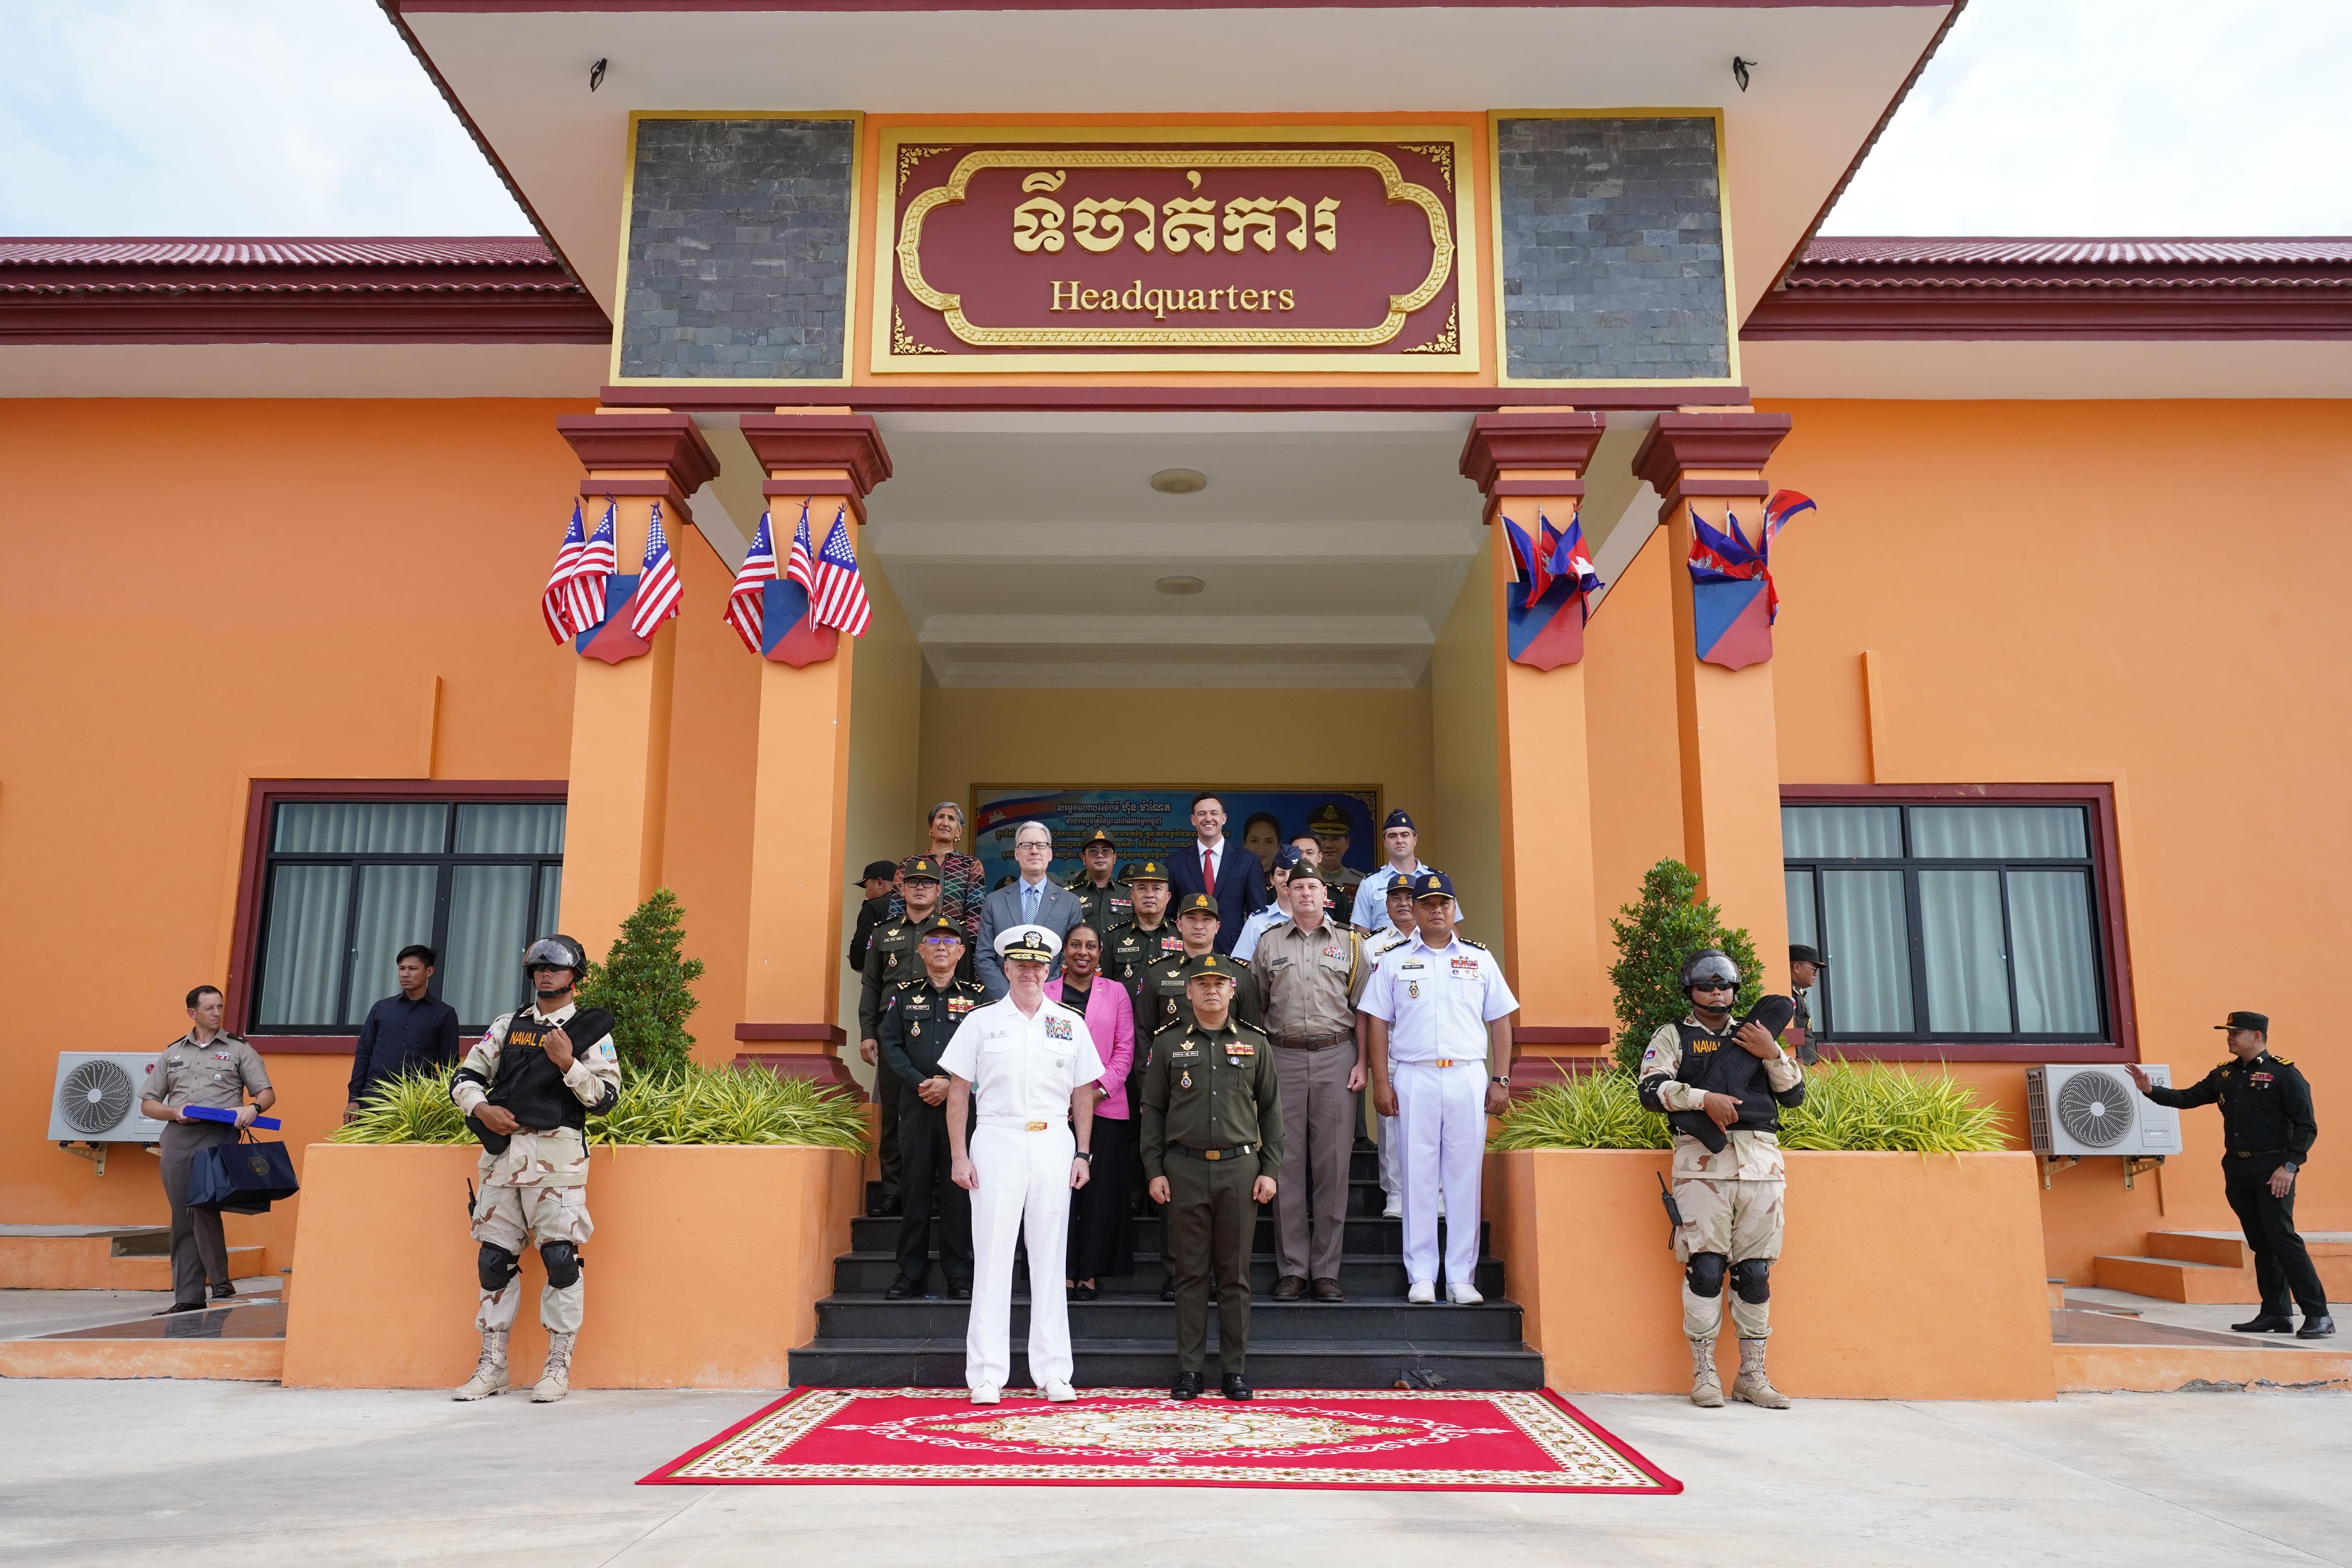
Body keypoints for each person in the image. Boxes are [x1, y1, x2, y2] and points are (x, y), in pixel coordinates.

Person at [448, 934, 622, 1404]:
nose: (545, 973)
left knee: (560, 1260)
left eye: (555, 967)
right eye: (538, 967)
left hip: (557, 1164)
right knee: (492, 1261)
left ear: (575, 976)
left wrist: (569, 1063)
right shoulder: (508, 1026)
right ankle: (492, 1366)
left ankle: (557, 1367)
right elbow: (465, 1076)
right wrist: (481, 1109)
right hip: (502, 1161)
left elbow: (606, 1098)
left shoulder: (588, 1032)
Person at [1635, 948, 1807, 1410]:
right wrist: (1702, 1098)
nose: (1716, 992)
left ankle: (1751, 1375)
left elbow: (1793, 1095)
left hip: (1760, 1165)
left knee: (1755, 1273)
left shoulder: (1755, 1032)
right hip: (1702, 1164)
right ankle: (1704, 1371)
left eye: (1724, 984)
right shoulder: (1673, 1035)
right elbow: (1650, 1089)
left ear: (1735, 990)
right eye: (1706, 984)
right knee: (1706, 1268)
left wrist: (1772, 1053)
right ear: (1689, 989)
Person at [944, 926, 1102, 1405]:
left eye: (1037, 964)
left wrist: (1082, 1151)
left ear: (1048, 969)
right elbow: (958, 1091)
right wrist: (958, 1155)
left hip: (1053, 1140)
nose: (1030, 971)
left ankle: (1053, 1371)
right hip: (997, 1138)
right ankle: (986, 1374)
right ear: (1007, 968)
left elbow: (1083, 1091)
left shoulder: (1069, 1022)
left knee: (1050, 1259)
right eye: (1021, 964)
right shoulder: (980, 1021)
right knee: (992, 1257)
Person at [1362, 872, 1515, 1307]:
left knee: (1465, 1177)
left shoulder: (1479, 959)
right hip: (1415, 1074)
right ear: (1415, 909)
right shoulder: (1393, 960)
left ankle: (1461, 1277)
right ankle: (1423, 1275)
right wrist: (1381, 1081)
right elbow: (1377, 1022)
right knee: (1417, 1176)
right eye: (1427, 903)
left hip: (1467, 1074)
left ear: (1454, 909)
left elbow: (1500, 1020)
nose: (1435, 911)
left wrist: (1501, 1078)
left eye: (1443, 903)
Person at [2131, 1011, 2330, 1338]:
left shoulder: (2283, 1074)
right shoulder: (2224, 1074)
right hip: (2238, 1168)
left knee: (2283, 1239)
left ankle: (2319, 1314)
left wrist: (2289, 1167)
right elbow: (2187, 1098)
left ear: (2257, 1036)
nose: (2230, 1037)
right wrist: (2150, 1089)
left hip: (2273, 1168)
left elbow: (2306, 1126)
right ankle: (2277, 1313)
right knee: (2261, 1243)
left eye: (2236, 1032)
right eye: (2228, 1032)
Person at [1141, 953, 1283, 1401]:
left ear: (1231, 990)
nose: (1210, 990)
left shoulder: (1255, 1043)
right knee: (1189, 1274)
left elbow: (1271, 1111)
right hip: (1183, 1169)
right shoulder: (1168, 1043)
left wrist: (1270, 1169)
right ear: (1188, 991)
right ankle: (1190, 1369)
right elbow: (1154, 1111)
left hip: (1239, 1169)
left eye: (1218, 983)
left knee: (1235, 1275)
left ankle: (1234, 1370)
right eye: (1201, 983)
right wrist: (1154, 1169)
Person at [1255, 861, 1369, 1302]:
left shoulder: (1351, 943)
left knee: (1333, 1167)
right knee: (1284, 1165)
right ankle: (1293, 1270)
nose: (1304, 893)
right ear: (1286, 891)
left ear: (1326, 894)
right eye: (1297, 886)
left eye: (1312, 887)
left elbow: (1364, 1009)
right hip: (1282, 1056)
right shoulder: (1269, 942)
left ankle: (1326, 1271)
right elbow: (1258, 1005)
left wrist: (1362, 1062)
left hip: (1336, 1056)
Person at [140, 986, 275, 1313]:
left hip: (217, 1135)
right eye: (209, 1008)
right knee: (182, 1212)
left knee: (201, 1204)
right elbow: (148, 1103)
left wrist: (253, 1108)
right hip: (177, 1135)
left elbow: (267, 1093)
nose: (217, 1013)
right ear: (193, 1013)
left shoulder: (239, 1049)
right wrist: (175, 1112)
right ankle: (188, 1297)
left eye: (220, 1007)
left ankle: (220, 1280)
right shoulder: (173, 1052)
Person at [876, 914, 987, 1301]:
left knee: (959, 1191)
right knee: (915, 1189)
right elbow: (891, 1043)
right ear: (921, 950)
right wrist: (919, 1082)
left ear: (961, 952)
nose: (942, 947)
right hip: (918, 1103)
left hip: (963, 1107)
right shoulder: (904, 995)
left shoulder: (977, 998)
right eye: (934, 941)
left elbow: (988, 1050)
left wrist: (951, 1084)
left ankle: (958, 1273)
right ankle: (911, 1273)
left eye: (949, 941)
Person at [859, 857, 961, 1217]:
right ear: (901, 889)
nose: (920, 887)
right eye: (914, 882)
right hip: (893, 1036)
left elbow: (964, 984)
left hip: (942, 1031)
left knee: (943, 1114)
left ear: (938, 890)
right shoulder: (884, 932)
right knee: (893, 1114)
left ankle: (935, 1191)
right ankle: (894, 1190)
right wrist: (867, 1032)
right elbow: (872, 984)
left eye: (927, 882)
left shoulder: (951, 933)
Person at [1048, 923, 1137, 1298]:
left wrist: (1096, 1093)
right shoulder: (1046, 992)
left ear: (1100, 952)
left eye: (1090, 946)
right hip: (1054, 1108)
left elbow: (1125, 1049)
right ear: (1064, 952)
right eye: (1075, 945)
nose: (1082, 952)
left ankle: (1089, 1273)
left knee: (1099, 1195)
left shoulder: (1116, 992)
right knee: (1057, 1193)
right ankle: (1063, 1270)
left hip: (1107, 1107)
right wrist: (1063, 1097)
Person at [345, 944, 460, 1120]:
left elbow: (449, 1064)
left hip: (421, 1104)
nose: (405, 974)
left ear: (429, 971)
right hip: (375, 1099)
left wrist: (447, 1104)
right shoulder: (381, 1009)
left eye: (412, 969)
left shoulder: (444, 1014)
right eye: (402, 968)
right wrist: (354, 1099)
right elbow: (363, 1054)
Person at [976, 821, 1085, 997]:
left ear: (1050, 854)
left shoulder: (1070, 903)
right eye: (1027, 845)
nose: (1034, 851)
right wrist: (1010, 996)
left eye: (1041, 845)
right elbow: (984, 957)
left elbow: (1069, 958)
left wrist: (1043, 995)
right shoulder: (994, 902)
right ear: (1017, 854)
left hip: (1050, 1000)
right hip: (1003, 1000)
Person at [1365, 880, 1420, 1218]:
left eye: (1409, 897)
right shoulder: (1372, 946)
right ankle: (1396, 1194)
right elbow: (1363, 1005)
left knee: (1434, 1123)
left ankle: (1436, 1192)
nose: (1403, 903)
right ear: (1386, 905)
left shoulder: (1439, 940)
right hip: (1389, 1044)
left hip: (1426, 1046)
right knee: (1391, 1125)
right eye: (1395, 898)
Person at [1142, 892, 1263, 1039]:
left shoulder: (1238, 972)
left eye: (1207, 919)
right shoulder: (1157, 972)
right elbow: (1144, 1032)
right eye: (1191, 918)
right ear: (1179, 925)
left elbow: (1251, 1033)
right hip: (1170, 1053)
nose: (1199, 926)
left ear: (1217, 927)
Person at [1168, 792, 1269, 953]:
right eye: (1202, 814)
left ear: (1224, 819)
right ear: (1193, 820)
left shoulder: (1248, 861)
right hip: (1189, 953)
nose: (1208, 819)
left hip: (1235, 952)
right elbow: (1169, 916)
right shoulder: (1175, 862)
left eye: (1214, 813)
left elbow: (1258, 915)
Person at [889, 802, 988, 947]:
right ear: (931, 827)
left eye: (951, 819)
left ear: (959, 831)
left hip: (952, 947)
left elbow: (975, 915)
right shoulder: (909, 864)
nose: (945, 823)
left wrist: (966, 951)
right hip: (911, 945)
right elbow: (896, 909)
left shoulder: (971, 865)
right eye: (940, 817)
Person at [1351, 809, 1435, 933]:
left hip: (1427, 946)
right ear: (1384, 842)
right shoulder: (1370, 883)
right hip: (1383, 946)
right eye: (1393, 836)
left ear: (1415, 840)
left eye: (1405, 835)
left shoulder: (1435, 879)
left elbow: (1451, 928)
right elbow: (1362, 934)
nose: (1399, 840)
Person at [1230, 845, 1301, 962]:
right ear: (1272, 879)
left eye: (1293, 873)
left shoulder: (1319, 919)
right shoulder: (1256, 922)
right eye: (1281, 874)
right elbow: (1243, 966)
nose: (1287, 879)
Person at [1065, 829, 1133, 937]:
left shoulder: (1131, 894)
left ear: (1114, 858)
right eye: (1093, 851)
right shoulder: (1070, 896)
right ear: (1084, 859)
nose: (1100, 855)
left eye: (1106, 851)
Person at [1305, 802, 1365, 918]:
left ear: (1347, 843)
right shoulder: (1302, 879)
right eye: (1322, 839)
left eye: (1335, 839)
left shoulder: (1360, 882)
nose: (1329, 845)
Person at [848, 860, 899, 972]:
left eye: (866, 886)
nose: (866, 894)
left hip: (881, 976)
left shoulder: (873, 907)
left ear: (880, 883)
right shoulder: (912, 906)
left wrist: (856, 961)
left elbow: (861, 945)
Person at [1787, 945, 1826, 1066]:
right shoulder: (1790, 994)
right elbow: (1794, 1033)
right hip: (1799, 1066)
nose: (1816, 974)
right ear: (1797, 967)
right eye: (1814, 968)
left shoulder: (1798, 993)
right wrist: (1798, 1066)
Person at [1240, 812, 1284, 877]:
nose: (1261, 850)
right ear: (1245, 843)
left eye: (1269, 842)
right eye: (1254, 841)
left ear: (1278, 846)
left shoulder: (1287, 880)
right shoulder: (1231, 878)